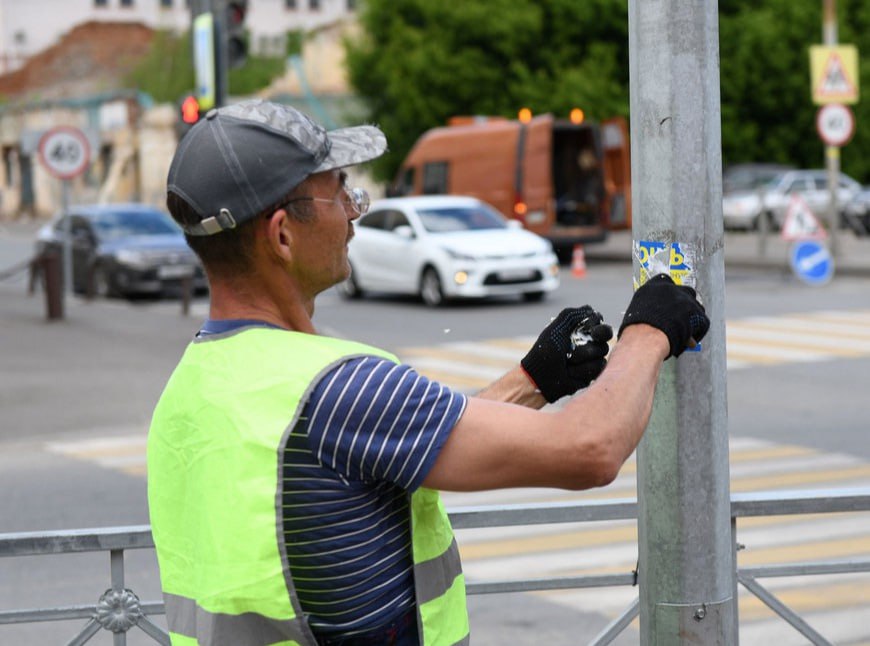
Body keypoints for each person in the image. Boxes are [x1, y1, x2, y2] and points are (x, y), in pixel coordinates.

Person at [147, 99, 710, 646]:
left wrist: (532, 382)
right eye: (338, 189)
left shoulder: (191, 388)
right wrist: (650, 328)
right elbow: (591, 448)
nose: (355, 208)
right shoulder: (339, 385)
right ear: (282, 235)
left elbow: (384, 460)